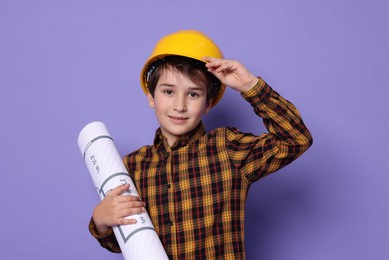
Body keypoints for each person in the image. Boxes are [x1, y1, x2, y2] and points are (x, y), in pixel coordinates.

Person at [88, 29, 313, 259]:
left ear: (208, 103)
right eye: (168, 91)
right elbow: (127, 241)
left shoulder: (227, 149)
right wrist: (101, 221)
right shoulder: (133, 166)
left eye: (193, 94)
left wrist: (249, 85)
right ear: (151, 96)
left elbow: (296, 139)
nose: (179, 105)